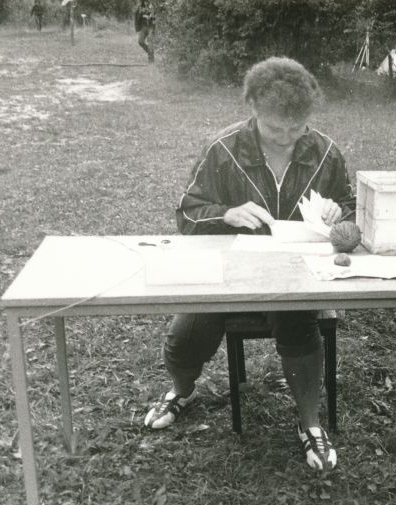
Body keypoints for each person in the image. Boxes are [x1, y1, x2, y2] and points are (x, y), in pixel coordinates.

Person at [144, 57, 355, 472]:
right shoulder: (222, 150)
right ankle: (182, 391)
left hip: (296, 276)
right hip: (225, 275)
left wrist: (339, 215)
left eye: (298, 128)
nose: (287, 137)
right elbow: (187, 214)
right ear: (254, 110)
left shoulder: (327, 153)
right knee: (184, 339)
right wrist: (225, 213)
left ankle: (310, 424)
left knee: (298, 325)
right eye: (276, 128)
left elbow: (351, 214)